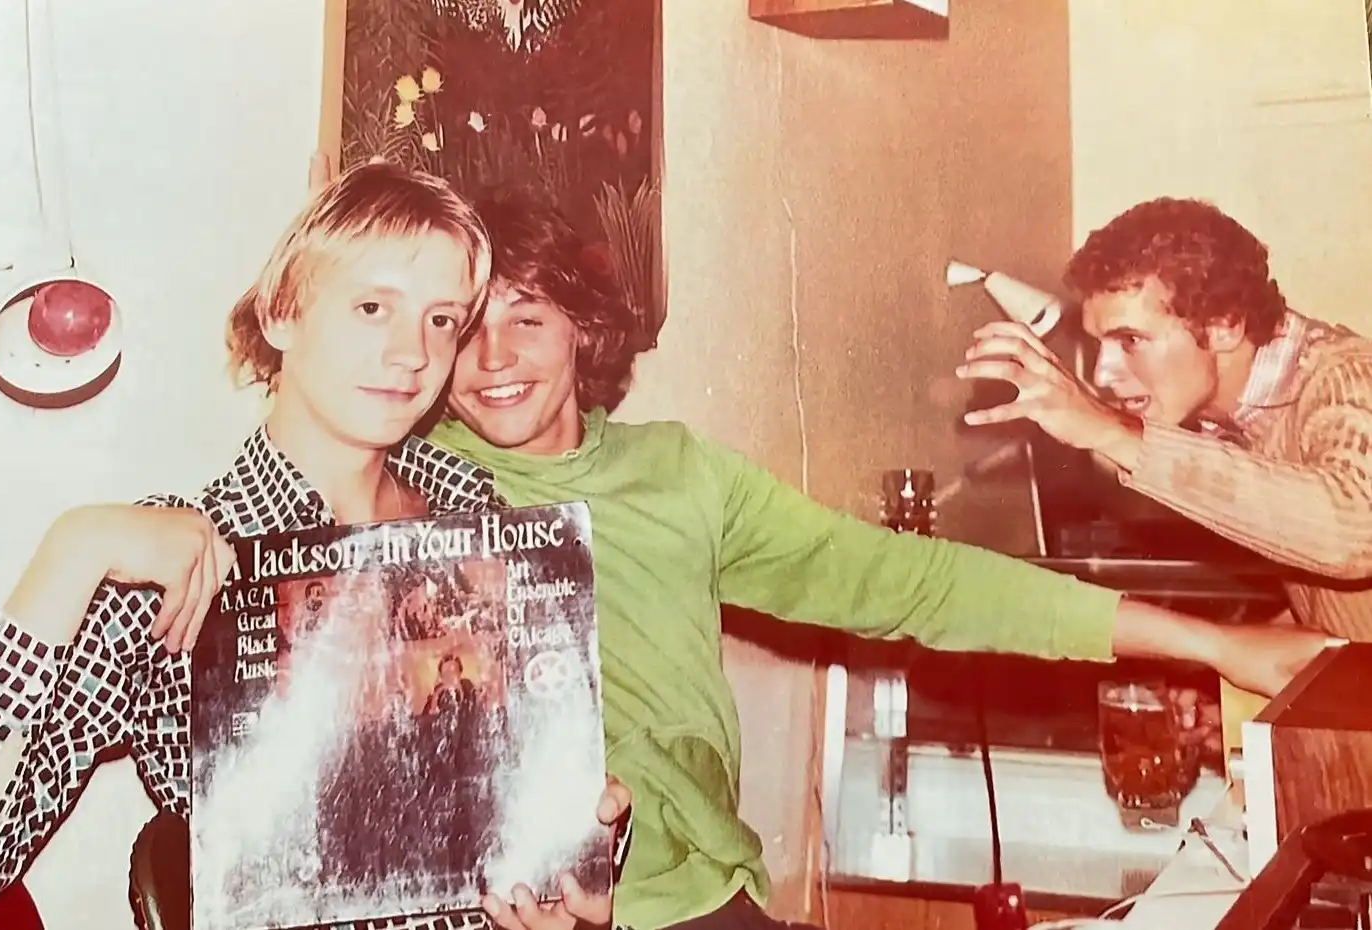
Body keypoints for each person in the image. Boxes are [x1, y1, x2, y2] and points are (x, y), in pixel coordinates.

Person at [420, 185, 1341, 930]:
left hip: (705, 892)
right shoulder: (416, 490)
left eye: (526, 319)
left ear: (581, 328)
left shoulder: (676, 472)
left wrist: (1218, 646)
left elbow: (913, 582)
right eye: (461, 328)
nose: (491, 359)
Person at [0, 162, 628, 930]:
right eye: (373, 307)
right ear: (282, 313)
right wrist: (74, 548)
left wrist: (578, 854)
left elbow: (521, 807)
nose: (413, 352)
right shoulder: (180, 561)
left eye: (443, 319)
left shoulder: (475, 514)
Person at [956, 196, 1372, 640]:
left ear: (1225, 326)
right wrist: (1247, 651)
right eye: (1100, 345)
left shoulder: (1347, 378)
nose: (1103, 374)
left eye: (1131, 340)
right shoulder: (1241, 416)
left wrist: (1109, 429)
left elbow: (1355, 534)